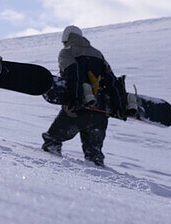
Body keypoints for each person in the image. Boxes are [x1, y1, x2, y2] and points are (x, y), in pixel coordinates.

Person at [41, 25, 122, 166]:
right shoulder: (98, 54)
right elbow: (111, 81)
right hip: (100, 112)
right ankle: (100, 180)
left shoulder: (67, 52)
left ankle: (54, 175)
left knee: (52, 141)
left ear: (66, 38)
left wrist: (75, 99)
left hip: (78, 107)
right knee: (94, 154)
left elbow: (73, 74)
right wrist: (118, 104)